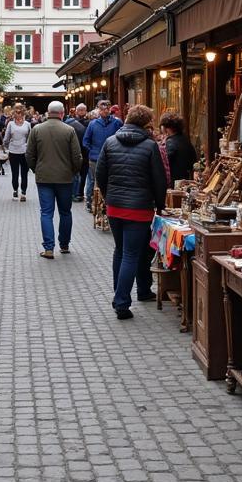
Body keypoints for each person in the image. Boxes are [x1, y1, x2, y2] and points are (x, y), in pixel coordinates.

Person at [94, 104, 167, 319]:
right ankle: (122, 302)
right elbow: (159, 180)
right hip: (139, 208)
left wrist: (109, 197)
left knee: (120, 251)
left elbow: (100, 174)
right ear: (146, 124)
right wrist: (160, 205)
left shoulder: (110, 142)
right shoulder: (150, 145)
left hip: (115, 206)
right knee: (131, 254)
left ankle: (120, 294)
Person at [26, 101, 82, 259]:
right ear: (62, 113)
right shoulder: (69, 130)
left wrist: (36, 169)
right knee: (65, 212)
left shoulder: (37, 129)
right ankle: (64, 245)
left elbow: (29, 154)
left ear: (48, 112)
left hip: (44, 178)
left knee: (46, 213)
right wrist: (73, 171)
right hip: (65, 178)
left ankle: (49, 248)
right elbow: (77, 156)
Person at [82, 100, 122, 211]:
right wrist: (92, 151)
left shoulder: (117, 123)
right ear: (98, 110)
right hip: (95, 158)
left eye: (106, 108)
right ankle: (91, 202)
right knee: (93, 180)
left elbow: (121, 137)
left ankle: (107, 203)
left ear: (110, 109)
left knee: (109, 181)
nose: (104, 111)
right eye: (102, 108)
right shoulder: (93, 124)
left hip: (112, 158)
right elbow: (85, 141)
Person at [158, 110, 198, 185]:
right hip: (185, 180)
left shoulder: (171, 142)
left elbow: (164, 162)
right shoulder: (185, 140)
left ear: (166, 127)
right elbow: (193, 160)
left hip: (174, 181)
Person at [3, 104, 32, 200]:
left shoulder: (27, 124)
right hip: (13, 151)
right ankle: (15, 190)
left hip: (24, 151)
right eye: (16, 112)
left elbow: (30, 138)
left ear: (23, 113)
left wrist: (28, 147)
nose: (18, 114)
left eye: (19, 112)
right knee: (14, 173)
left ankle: (23, 192)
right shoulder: (10, 124)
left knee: (24, 173)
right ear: (13, 113)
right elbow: (6, 138)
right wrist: (6, 147)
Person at [65, 103, 90, 202]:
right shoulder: (88, 123)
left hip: (75, 151)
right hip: (84, 151)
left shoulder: (70, 123)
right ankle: (78, 193)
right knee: (82, 173)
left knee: (75, 173)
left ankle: (74, 192)